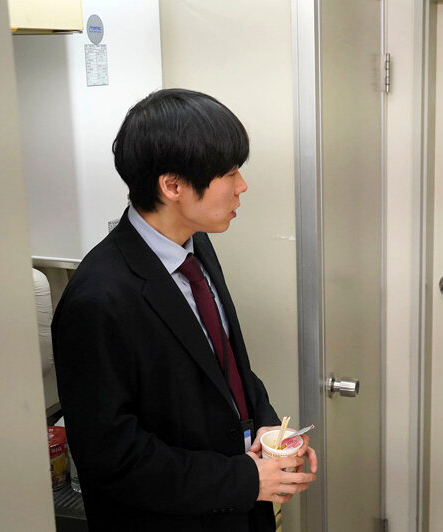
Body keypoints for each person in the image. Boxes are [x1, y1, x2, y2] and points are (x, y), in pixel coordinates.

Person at [52, 88, 317, 531]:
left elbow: (225, 367)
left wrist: (269, 428)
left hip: (237, 509)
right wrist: (242, 479)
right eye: (229, 173)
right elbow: (112, 456)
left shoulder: (196, 245)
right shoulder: (97, 299)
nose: (242, 186)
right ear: (172, 186)